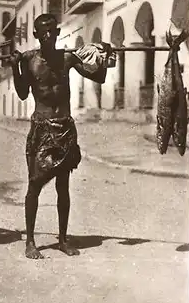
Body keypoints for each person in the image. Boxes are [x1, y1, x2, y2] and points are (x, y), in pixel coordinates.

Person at [9, 14, 116, 259]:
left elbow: (97, 76)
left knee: (63, 187)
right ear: (35, 35)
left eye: (51, 31)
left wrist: (106, 56)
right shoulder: (28, 60)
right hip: (42, 128)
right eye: (42, 32)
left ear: (57, 33)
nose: (48, 36)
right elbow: (23, 93)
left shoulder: (67, 58)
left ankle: (63, 240)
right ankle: (30, 242)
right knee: (34, 185)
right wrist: (15, 67)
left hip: (65, 128)